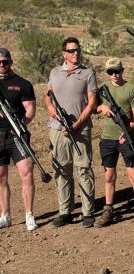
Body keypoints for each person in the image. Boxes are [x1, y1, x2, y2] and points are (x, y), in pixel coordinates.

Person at [44, 36, 97, 228]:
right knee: (62, 170)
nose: (76, 53)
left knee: (83, 168)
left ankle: (87, 212)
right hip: (57, 129)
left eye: (78, 50)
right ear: (64, 53)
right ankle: (65, 211)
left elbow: (92, 102)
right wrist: (54, 114)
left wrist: (76, 124)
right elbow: (48, 97)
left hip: (80, 130)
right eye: (72, 50)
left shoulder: (88, 73)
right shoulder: (55, 72)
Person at [95, 58, 134, 229]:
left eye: (116, 71)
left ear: (122, 70)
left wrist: (126, 133)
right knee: (109, 177)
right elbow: (94, 107)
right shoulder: (103, 89)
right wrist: (102, 108)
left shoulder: (131, 89)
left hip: (126, 139)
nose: (114, 75)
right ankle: (108, 210)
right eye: (110, 72)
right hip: (107, 138)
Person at [0, 48, 38, 231]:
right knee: (1, 176)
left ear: (11, 62)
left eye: (4, 62)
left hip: (17, 135)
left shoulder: (22, 83)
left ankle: (29, 215)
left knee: (26, 173)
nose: (1, 65)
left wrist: (21, 124)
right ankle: (5, 215)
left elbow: (30, 109)